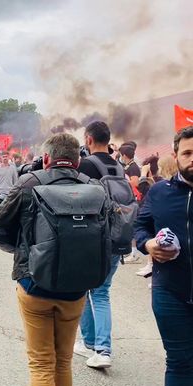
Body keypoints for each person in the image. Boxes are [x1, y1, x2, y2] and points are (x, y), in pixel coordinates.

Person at [0, 133, 90, 386]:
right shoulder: (92, 185)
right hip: (76, 287)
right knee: (63, 361)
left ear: (46, 158)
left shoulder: (29, 182)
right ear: (77, 161)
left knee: (41, 364)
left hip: (34, 283)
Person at [134, 126, 193, 386]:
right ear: (176, 155)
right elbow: (139, 226)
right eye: (188, 153)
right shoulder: (158, 193)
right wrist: (147, 245)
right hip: (170, 291)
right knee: (180, 363)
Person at [73, 121, 122, 369]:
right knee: (99, 290)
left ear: (89, 139)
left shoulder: (87, 165)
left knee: (91, 290)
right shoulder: (119, 166)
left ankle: (101, 348)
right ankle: (90, 342)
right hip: (118, 237)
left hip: (94, 238)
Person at [119, 143, 143, 264]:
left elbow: (135, 183)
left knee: (132, 225)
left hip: (134, 199)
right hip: (130, 198)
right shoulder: (129, 166)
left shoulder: (133, 167)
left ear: (124, 155)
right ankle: (132, 251)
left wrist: (122, 184)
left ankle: (134, 252)